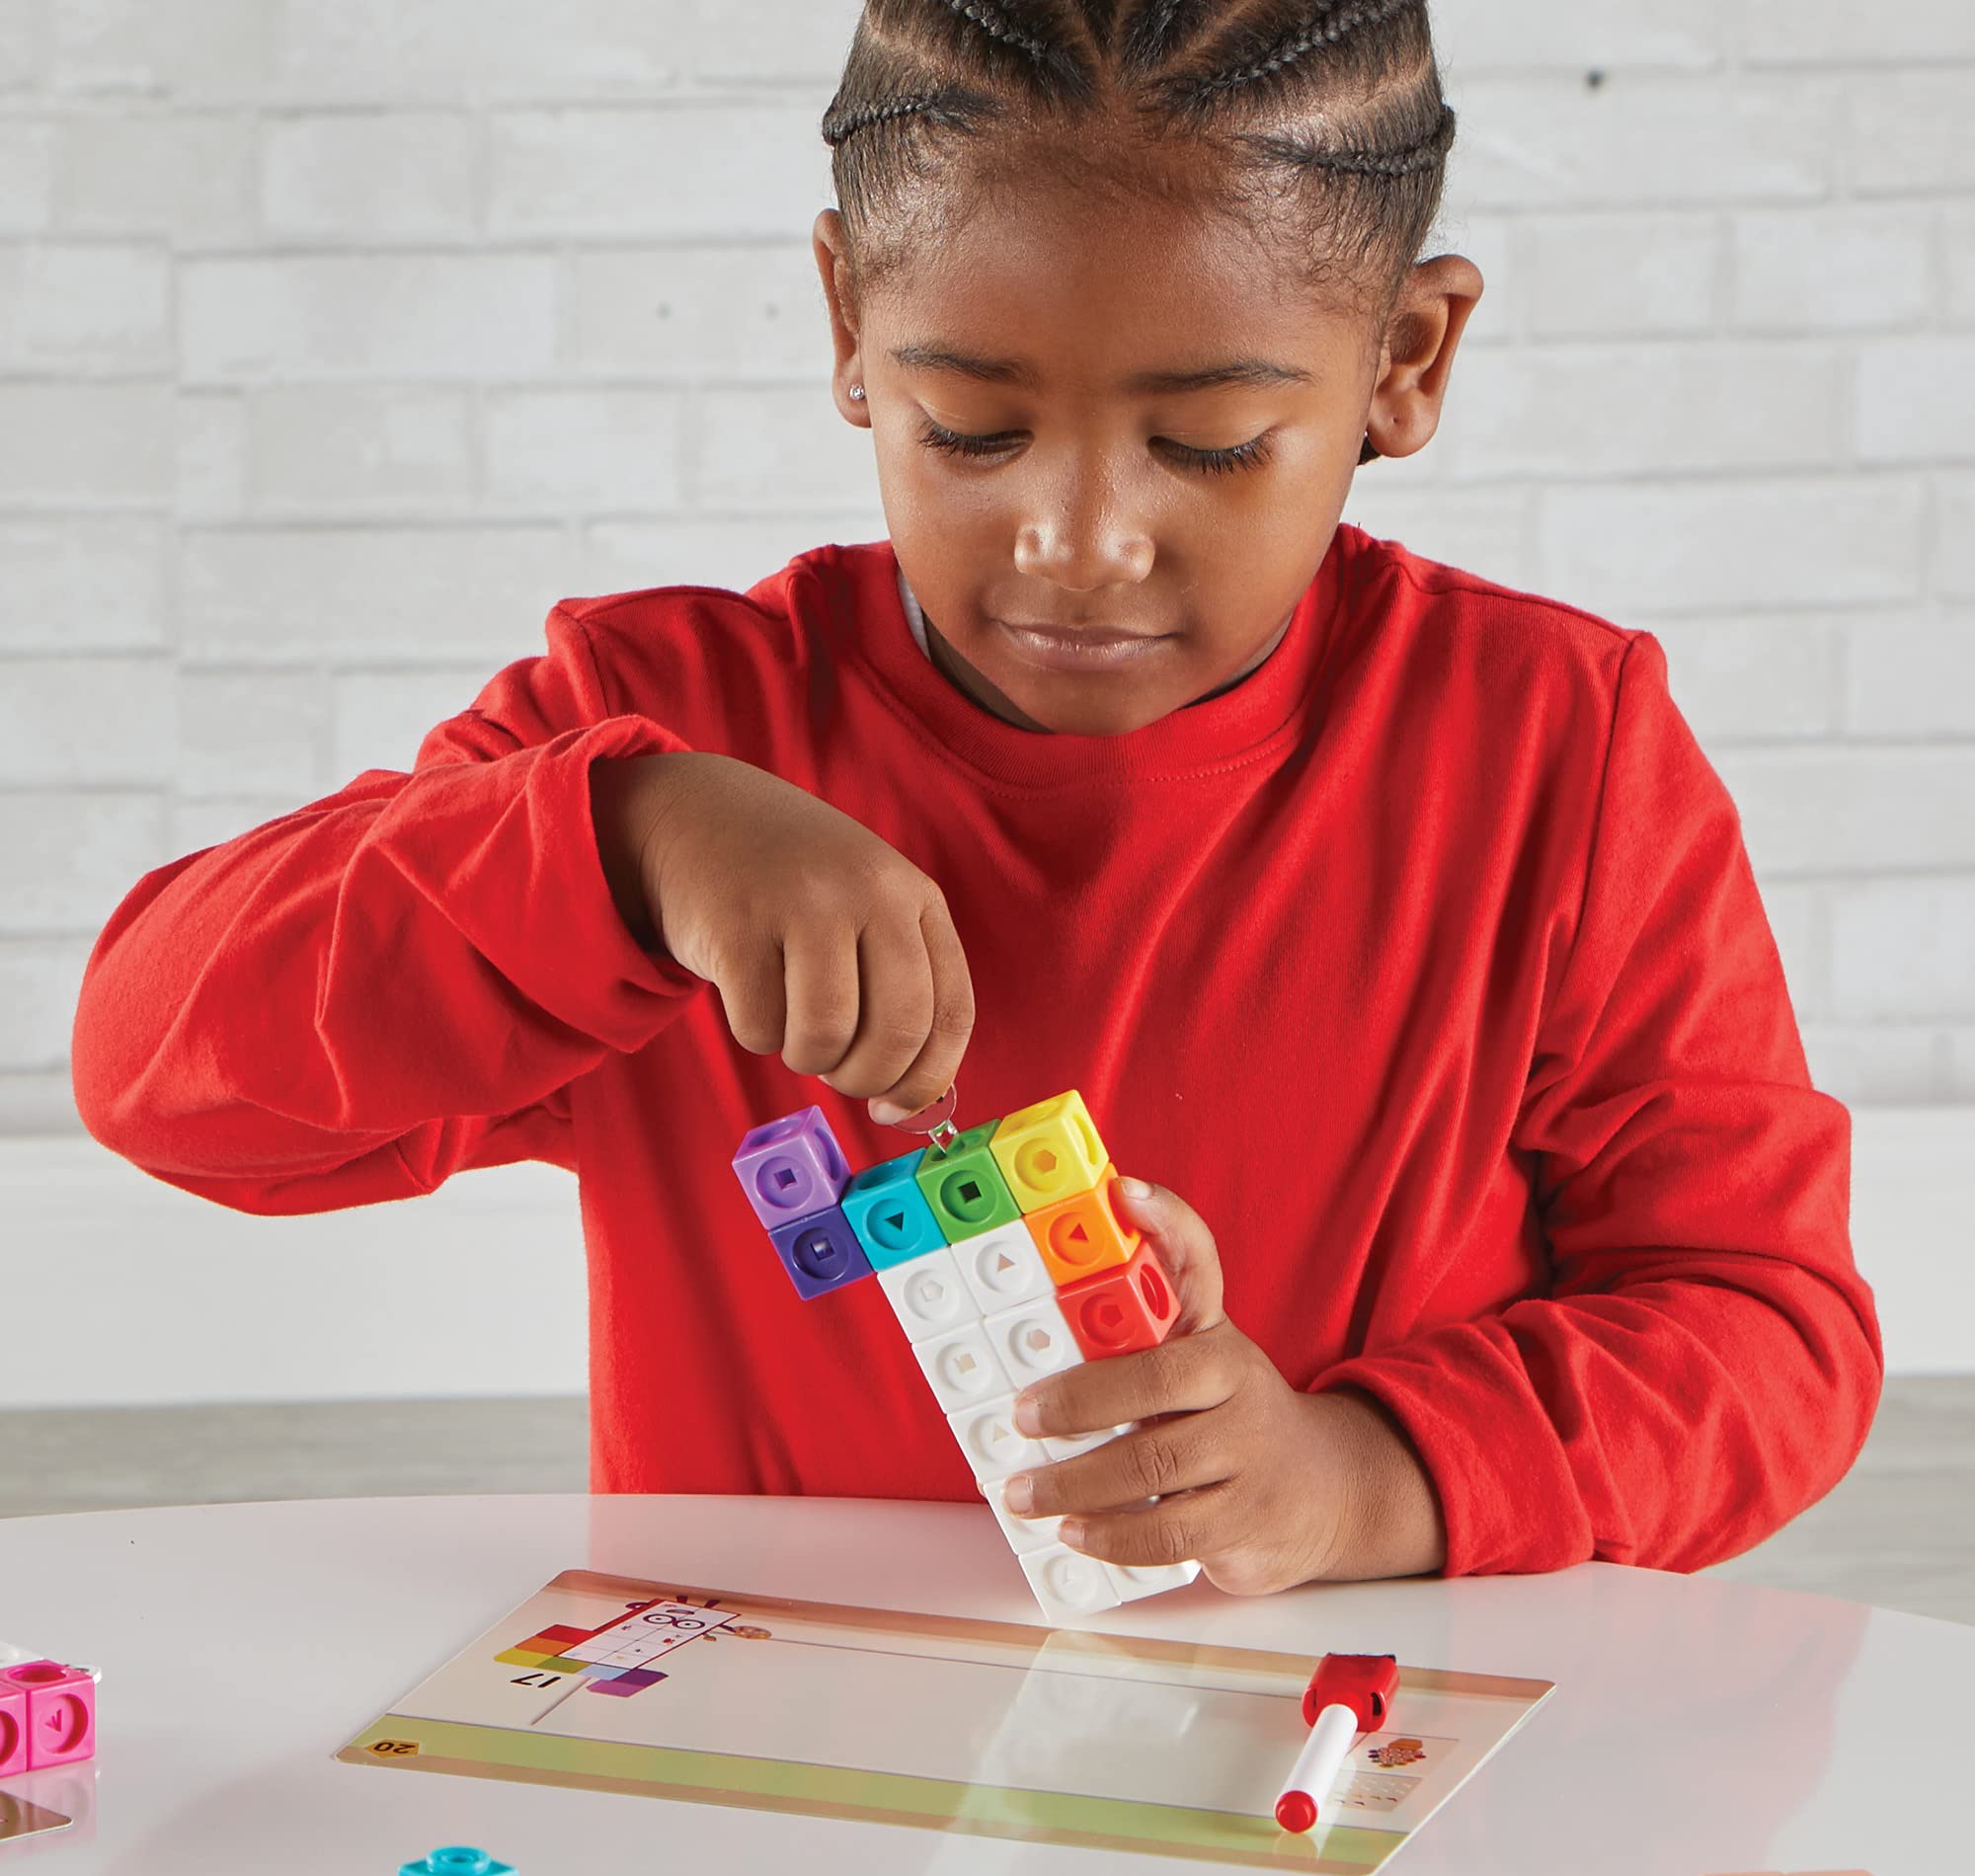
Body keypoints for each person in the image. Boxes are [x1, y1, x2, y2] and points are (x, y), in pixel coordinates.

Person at [70, 0, 1879, 1595]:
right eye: (973, 429)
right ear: (853, 321)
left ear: (1405, 363)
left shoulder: (1557, 749)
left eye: (1208, 446)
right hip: (778, 1775)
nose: (1077, 543)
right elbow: (165, 1080)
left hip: (1343, 1762)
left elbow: (1766, 1330)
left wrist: (1357, 1479)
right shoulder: (662, 732)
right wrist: (623, 848)